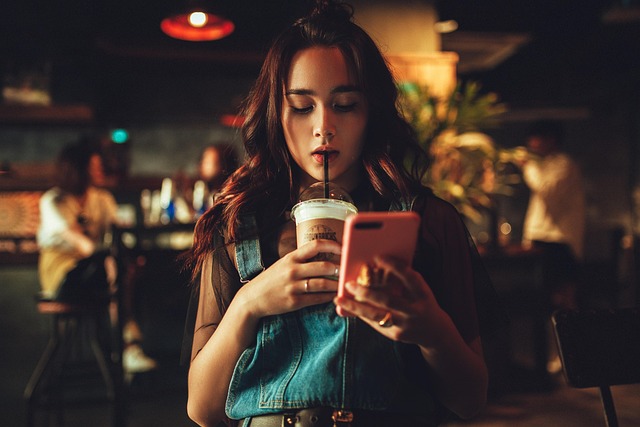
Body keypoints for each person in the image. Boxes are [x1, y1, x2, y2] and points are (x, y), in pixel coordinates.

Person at [184, 2, 497, 426]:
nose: (323, 126)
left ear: (372, 113)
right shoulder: (239, 226)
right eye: (302, 106)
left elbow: (471, 400)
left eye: (345, 105)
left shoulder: (428, 222)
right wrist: (250, 302)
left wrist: (431, 329)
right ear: (276, 114)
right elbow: (202, 410)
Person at [37, 141, 157, 375]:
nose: (101, 170)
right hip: (62, 274)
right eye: (95, 166)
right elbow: (85, 246)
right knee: (116, 268)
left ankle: (125, 346)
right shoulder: (53, 201)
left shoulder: (101, 199)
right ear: (78, 169)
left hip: (98, 272)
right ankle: (127, 344)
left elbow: (121, 235)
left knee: (130, 269)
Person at [519, 120, 586, 311]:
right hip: (543, 239)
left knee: (562, 300)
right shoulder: (544, 164)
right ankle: (552, 339)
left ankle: (567, 340)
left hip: (558, 241)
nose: (531, 142)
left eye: (536, 137)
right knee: (547, 299)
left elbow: (546, 190)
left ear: (550, 140)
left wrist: (528, 167)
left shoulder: (563, 164)